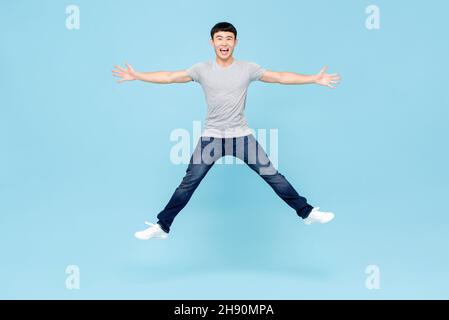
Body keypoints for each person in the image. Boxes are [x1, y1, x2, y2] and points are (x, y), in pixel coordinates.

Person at [112, 22, 341, 240]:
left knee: (273, 176)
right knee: (188, 184)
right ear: (212, 42)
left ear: (235, 42)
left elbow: (280, 77)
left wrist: (313, 79)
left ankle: (307, 213)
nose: (224, 42)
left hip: (241, 137)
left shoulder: (247, 68)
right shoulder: (201, 69)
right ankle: (163, 226)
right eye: (219, 38)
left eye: (228, 39)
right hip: (211, 138)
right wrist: (138, 75)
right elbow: (170, 77)